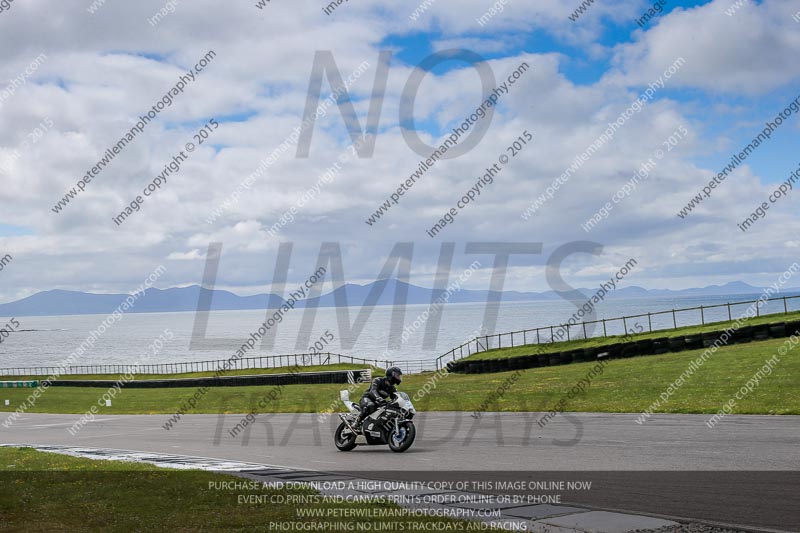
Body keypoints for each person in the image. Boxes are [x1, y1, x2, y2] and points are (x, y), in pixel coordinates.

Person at [354, 367, 403, 431]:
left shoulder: (392, 389)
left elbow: (396, 398)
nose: (398, 377)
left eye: (399, 376)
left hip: (379, 403)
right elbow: (373, 391)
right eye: (397, 375)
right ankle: (356, 422)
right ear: (391, 374)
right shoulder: (378, 380)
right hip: (367, 398)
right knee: (370, 406)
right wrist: (378, 398)